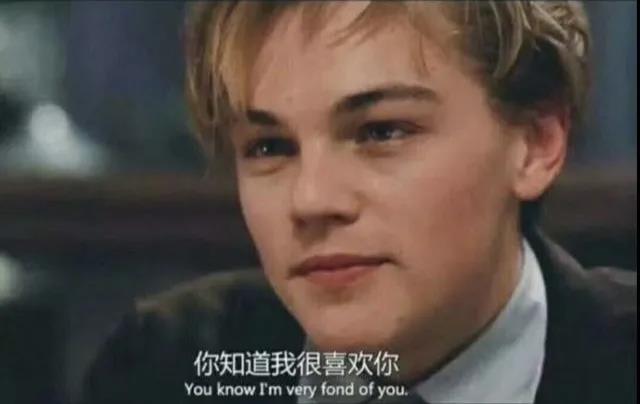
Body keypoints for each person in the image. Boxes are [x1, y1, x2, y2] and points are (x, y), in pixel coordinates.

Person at [79, 2, 636, 403]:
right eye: (269, 147)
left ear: (536, 143)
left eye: (381, 132)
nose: (311, 199)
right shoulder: (162, 368)